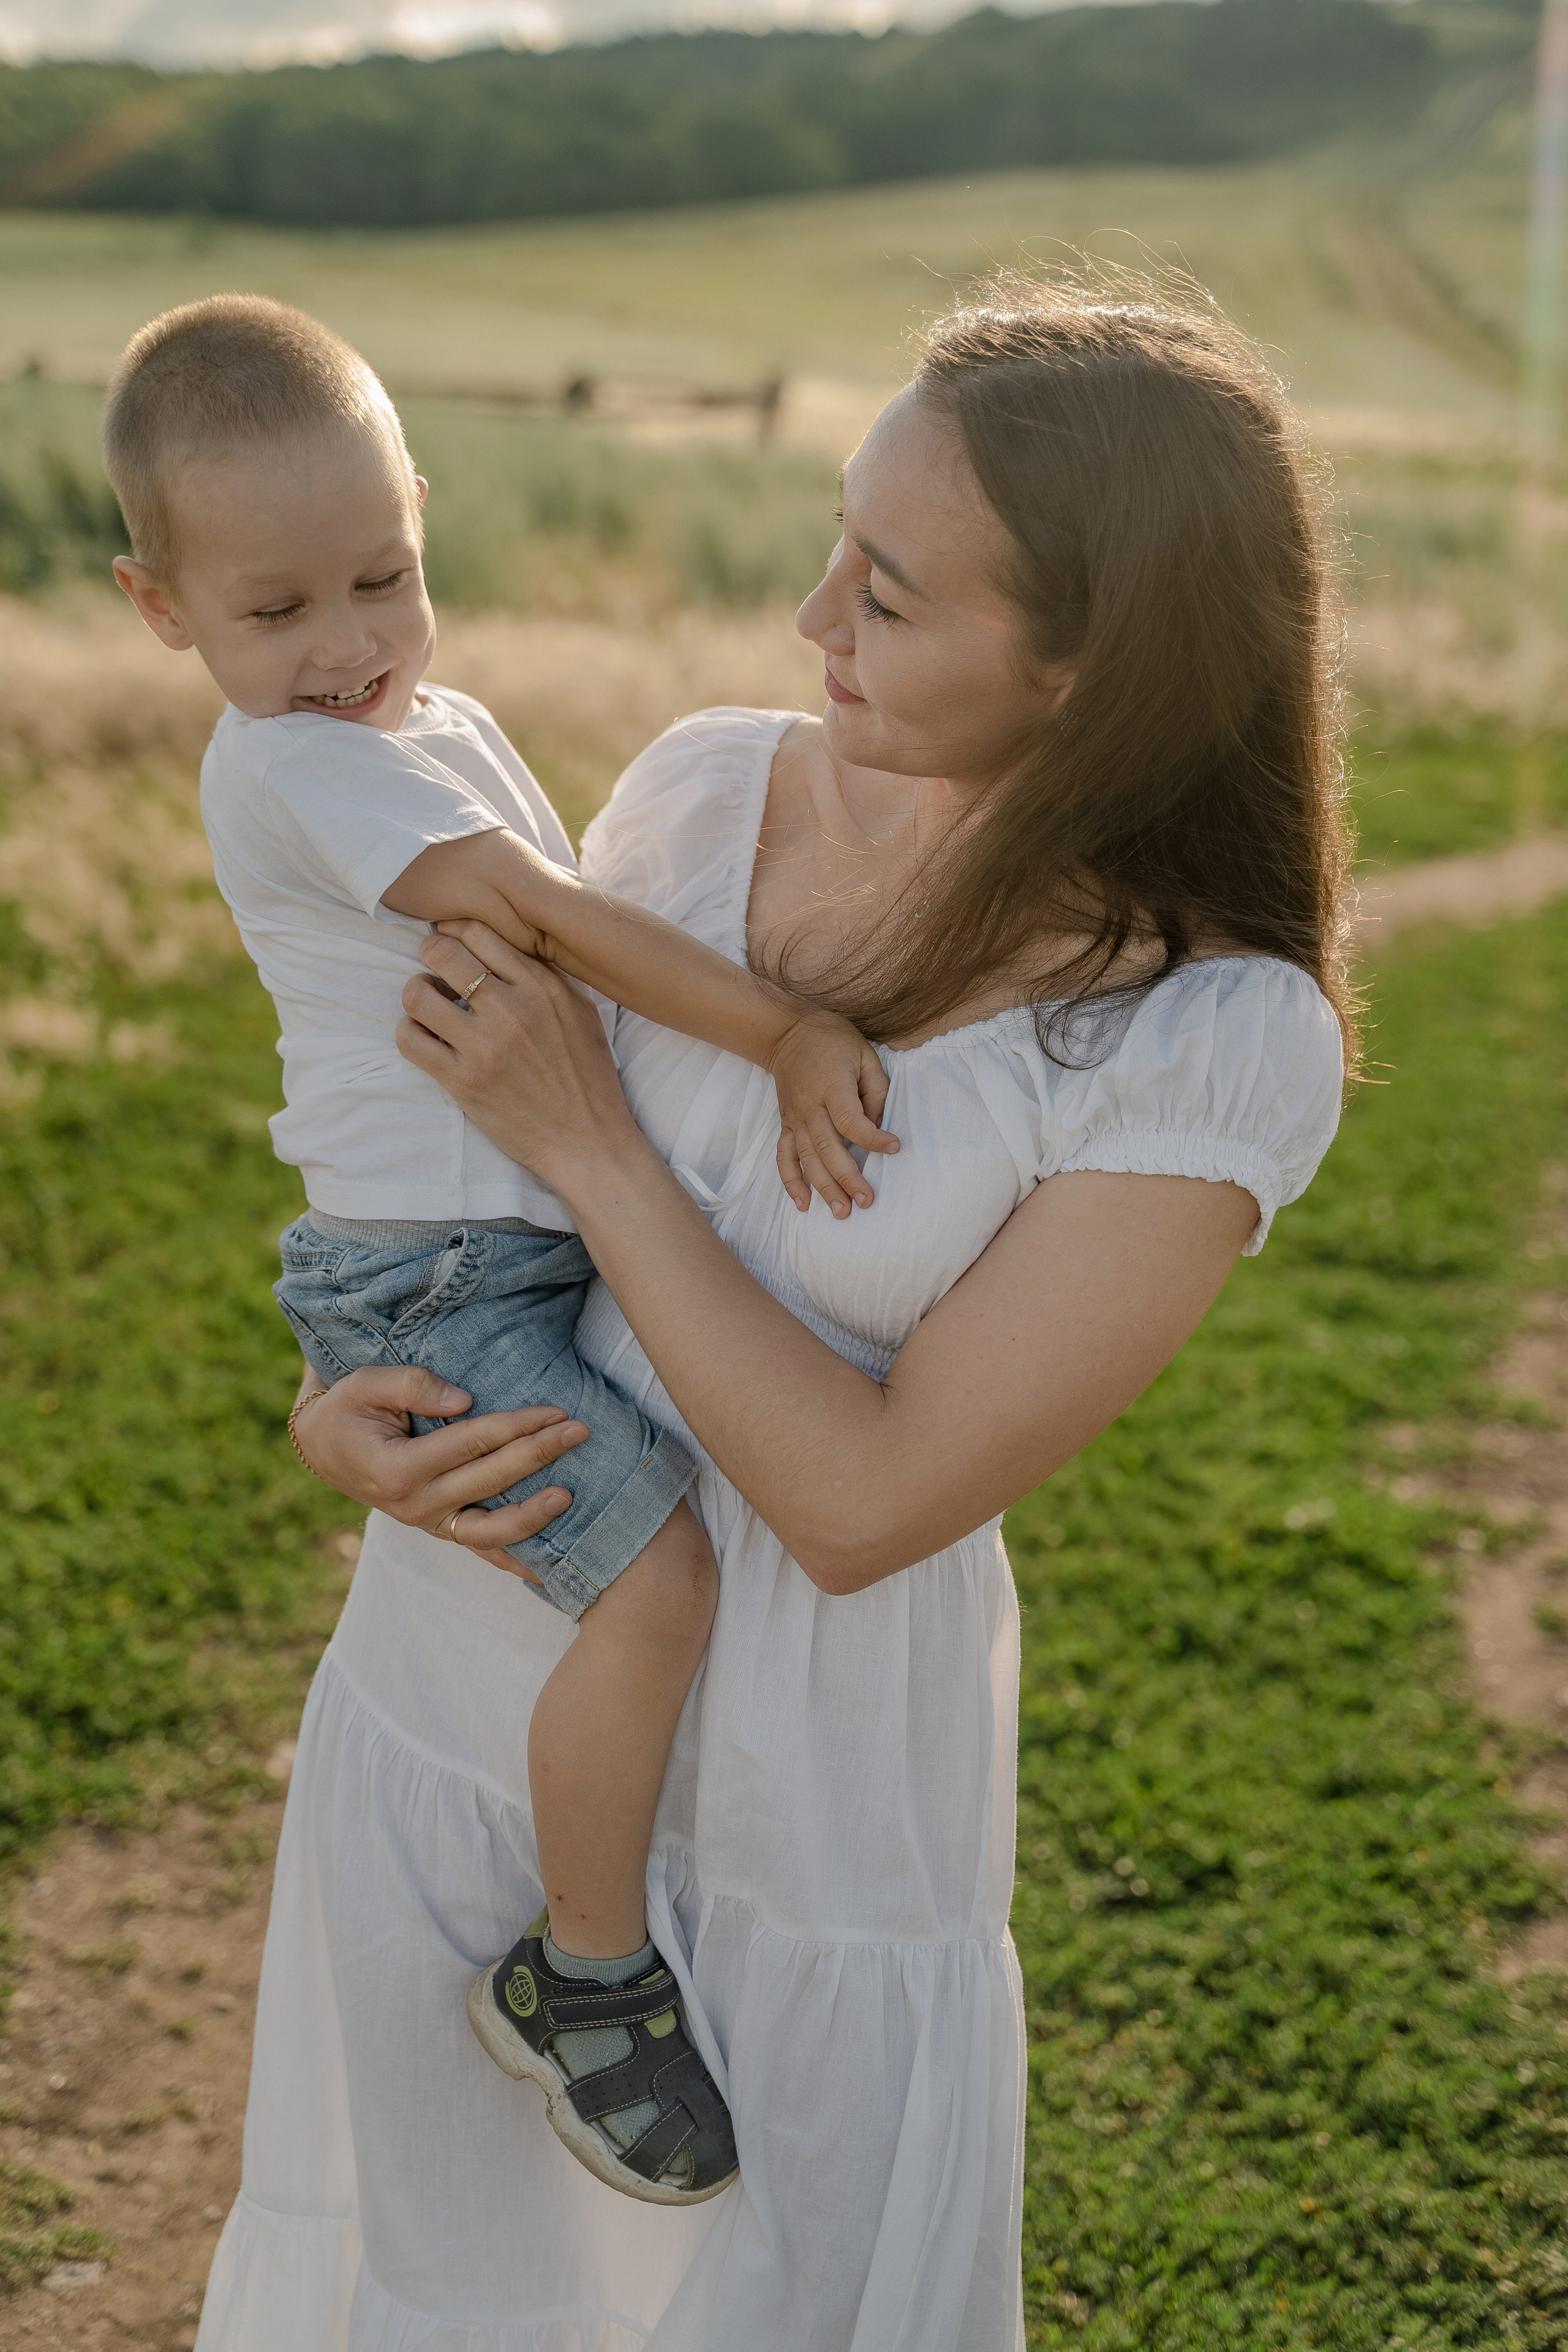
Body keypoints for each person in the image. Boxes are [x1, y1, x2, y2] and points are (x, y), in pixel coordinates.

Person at [195, 268, 1352, 2351]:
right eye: (837, 543)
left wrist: (606, 1153)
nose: (814, 618)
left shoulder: (1209, 1033)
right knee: (434, 2290)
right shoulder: (701, 790)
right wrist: (342, 1392)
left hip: (802, 1809)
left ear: (1094, 670)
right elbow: (446, 1169)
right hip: (464, 1695)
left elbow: (863, 1501)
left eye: (887, 596)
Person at [103, 294, 900, 2207]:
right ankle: (588, 1977)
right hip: (439, 1284)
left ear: (422, 525)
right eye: (275, 609)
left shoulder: (427, 724)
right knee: (658, 1589)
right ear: (162, 611)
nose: (347, 646)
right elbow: (541, 917)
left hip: (498, 1250)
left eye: (384, 578)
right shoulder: (299, 765)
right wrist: (786, 1033)